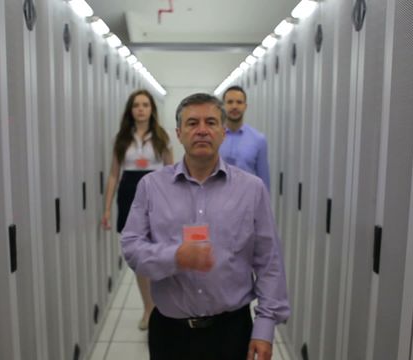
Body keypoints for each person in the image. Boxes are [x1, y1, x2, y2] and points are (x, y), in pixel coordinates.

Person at [121, 93, 289, 360]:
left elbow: (269, 260)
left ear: (223, 132)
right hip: (170, 332)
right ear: (178, 133)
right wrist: (174, 257)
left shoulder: (251, 189)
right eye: (192, 123)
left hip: (232, 331)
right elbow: (131, 248)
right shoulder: (151, 187)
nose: (201, 130)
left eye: (210, 122)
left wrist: (265, 327)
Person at [101, 89, 173, 330]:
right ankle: (148, 307)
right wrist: (107, 210)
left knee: (157, 251)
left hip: (156, 193)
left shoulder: (162, 137)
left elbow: (171, 174)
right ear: (130, 110)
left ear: (152, 109)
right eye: (136, 105)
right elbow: (113, 175)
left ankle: (162, 305)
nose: (140, 109)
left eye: (145, 104)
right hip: (129, 192)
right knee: (140, 256)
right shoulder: (121, 138)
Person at [219, 85, 271, 191]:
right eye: (230, 102)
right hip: (217, 199)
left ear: (245, 106)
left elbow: (263, 179)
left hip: (248, 202)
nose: (234, 106)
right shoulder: (214, 137)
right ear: (223, 106)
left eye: (239, 102)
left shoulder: (258, 139)